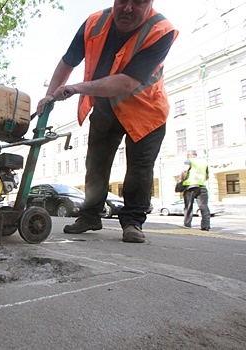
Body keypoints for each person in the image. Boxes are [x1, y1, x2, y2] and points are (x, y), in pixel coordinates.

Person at [36, 0, 178, 243]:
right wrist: (50, 94)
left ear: (150, 3)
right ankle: (90, 215)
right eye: (122, 0)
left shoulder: (161, 31)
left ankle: (132, 222)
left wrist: (75, 88)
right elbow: (68, 62)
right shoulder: (94, 23)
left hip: (146, 111)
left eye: (139, 2)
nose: (128, 8)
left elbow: (127, 83)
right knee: (96, 164)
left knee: (139, 170)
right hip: (107, 106)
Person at [179, 150, 210, 231]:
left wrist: (182, 180)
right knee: (204, 207)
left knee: (188, 206)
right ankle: (205, 226)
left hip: (190, 186)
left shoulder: (189, 161)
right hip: (202, 186)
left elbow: (185, 170)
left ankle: (187, 224)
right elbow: (207, 176)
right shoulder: (204, 162)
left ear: (188, 155)